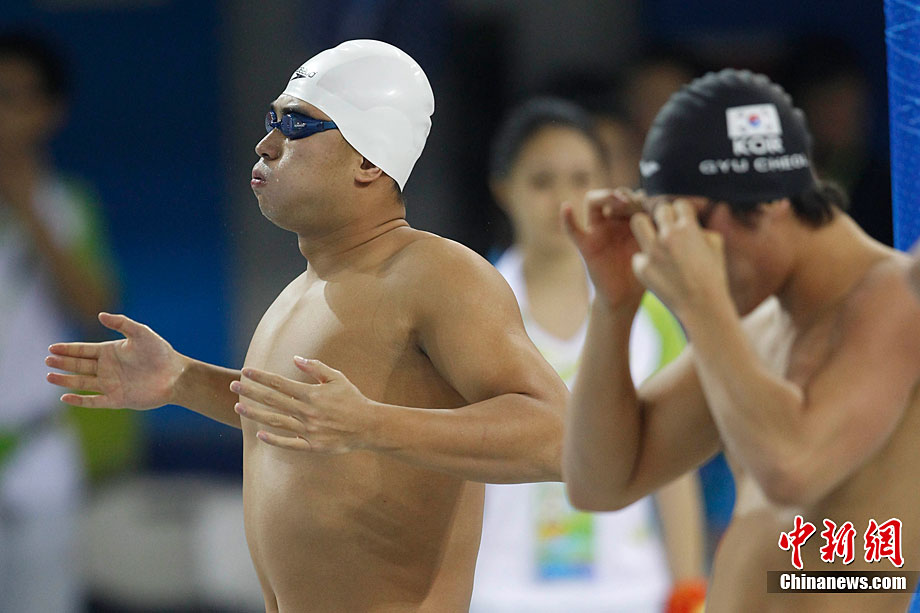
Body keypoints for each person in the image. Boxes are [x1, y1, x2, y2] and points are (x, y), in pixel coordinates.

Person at [47, 39, 567, 612]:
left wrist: (370, 424)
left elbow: (557, 436)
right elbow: (307, 423)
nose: (266, 143)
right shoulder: (303, 290)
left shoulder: (436, 274)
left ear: (369, 161)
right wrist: (183, 380)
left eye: (296, 125)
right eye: (271, 120)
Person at [562, 68, 920, 612]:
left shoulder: (899, 298)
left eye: (688, 224)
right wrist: (614, 304)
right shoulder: (752, 334)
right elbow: (599, 483)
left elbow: (793, 469)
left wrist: (702, 304)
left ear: (770, 200)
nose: (678, 251)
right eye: (663, 225)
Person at [471, 97, 705, 612]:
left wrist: (689, 592)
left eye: (581, 179)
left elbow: (675, 468)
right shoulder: (465, 311)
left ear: (606, 184)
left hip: (631, 595)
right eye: (542, 181)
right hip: (497, 595)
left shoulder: (652, 316)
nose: (563, 199)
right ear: (503, 188)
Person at [0, 30, 119, 613]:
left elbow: (97, 313)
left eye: (14, 98)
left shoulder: (67, 205)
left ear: (50, 112)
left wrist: (28, 208)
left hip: (33, 455)